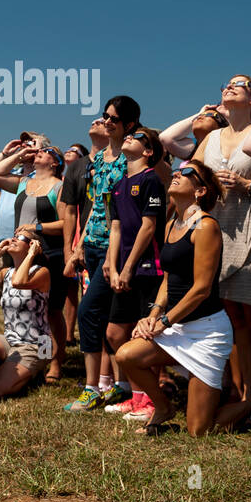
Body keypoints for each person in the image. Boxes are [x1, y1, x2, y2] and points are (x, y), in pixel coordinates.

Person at [115, 160, 235, 436]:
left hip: (207, 332)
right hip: (178, 325)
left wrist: (165, 321)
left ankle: (248, 407)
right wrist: (152, 315)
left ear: (200, 191)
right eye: (178, 171)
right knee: (126, 355)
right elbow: (169, 281)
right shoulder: (171, 224)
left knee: (199, 432)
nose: (177, 174)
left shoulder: (206, 227)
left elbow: (202, 289)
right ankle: (164, 407)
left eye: (187, 173)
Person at [197, 75, 251, 414]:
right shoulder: (210, 137)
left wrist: (248, 184)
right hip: (219, 230)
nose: (230, 86)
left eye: (241, 83)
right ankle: (246, 395)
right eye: (227, 83)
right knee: (232, 317)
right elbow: (193, 175)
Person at [65, 95, 140, 412]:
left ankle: (96, 387)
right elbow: (95, 204)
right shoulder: (96, 161)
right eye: (105, 116)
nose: (107, 121)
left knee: (91, 314)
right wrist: (79, 245)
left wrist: (114, 256)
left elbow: (124, 210)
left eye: (113, 118)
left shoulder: (131, 160)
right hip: (92, 243)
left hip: (116, 247)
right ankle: (114, 386)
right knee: (104, 316)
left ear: (129, 125)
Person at [0, 139, 68, 384]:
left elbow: (65, 223)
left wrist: (37, 226)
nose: (39, 153)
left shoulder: (59, 186)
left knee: (50, 312)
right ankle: (37, 363)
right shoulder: (22, 182)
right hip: (21, 251)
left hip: (48, 253)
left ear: (55, 162)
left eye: (45, 151)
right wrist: (17, 154)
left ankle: (54, 362)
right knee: (31, 308)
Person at [102, 127, 167, 419]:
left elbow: (149, 226)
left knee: (146, 337)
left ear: (148, 151)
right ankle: (137, 396)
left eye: (138, 137)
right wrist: (113, 267)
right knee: (116, 334)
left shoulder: (151, 179)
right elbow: (115, 228)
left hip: (148, 269)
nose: (129, 137)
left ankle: (150, 403)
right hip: (124, 270)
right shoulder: (118, 184)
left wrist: (128, 268)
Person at [0, 229, 54, 399]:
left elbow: (19, 282)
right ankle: (18, 370)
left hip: (37, 345)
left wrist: (31, 255)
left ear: (32, 246)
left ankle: (33, 374)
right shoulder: (5, 272)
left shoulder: (41, 272)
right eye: (13, 236)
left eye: (20, 238)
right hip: (10, 340)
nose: (13, 239)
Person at [61, 119, 109, 351]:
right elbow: (70, 211)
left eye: (104, 119)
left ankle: (111, 373)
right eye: (95, 120)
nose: (97, 121)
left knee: (107, 309)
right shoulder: (76, 166)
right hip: (86, 247)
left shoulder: (118, 162)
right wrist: (68, 248)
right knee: (91, 305)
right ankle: (99, 371)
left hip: (113, 244)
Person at [160, 105, 228, 164]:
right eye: (199, 116)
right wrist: (199, 113)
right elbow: (165, 137)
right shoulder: (195, 149)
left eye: (208, 115)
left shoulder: (229, 146)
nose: (199, 117)